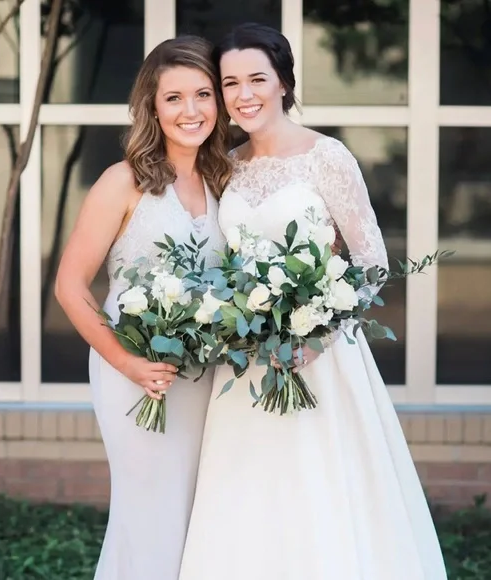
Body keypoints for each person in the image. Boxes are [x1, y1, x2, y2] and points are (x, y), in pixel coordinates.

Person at [179, 23, 448, 580]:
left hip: (320, 358)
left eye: (257, 79)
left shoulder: (327, 156)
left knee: (320, 489)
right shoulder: (225, 164)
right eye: (230, 83)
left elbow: (371, 263)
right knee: (250, 494)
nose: (244, 94)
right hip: (248, 362)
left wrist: (318, 335)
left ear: (284, 82)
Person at [55, 35, 231, 580]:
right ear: (152, 107)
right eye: (173, 97)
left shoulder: (226, 181)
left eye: (202, 94)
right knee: (150, 514)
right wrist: (128, 363)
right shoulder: (123, 181)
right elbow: (70, 286)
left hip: (208, 377)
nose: (191, 110)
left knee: (198, 516)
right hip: (134, 375)